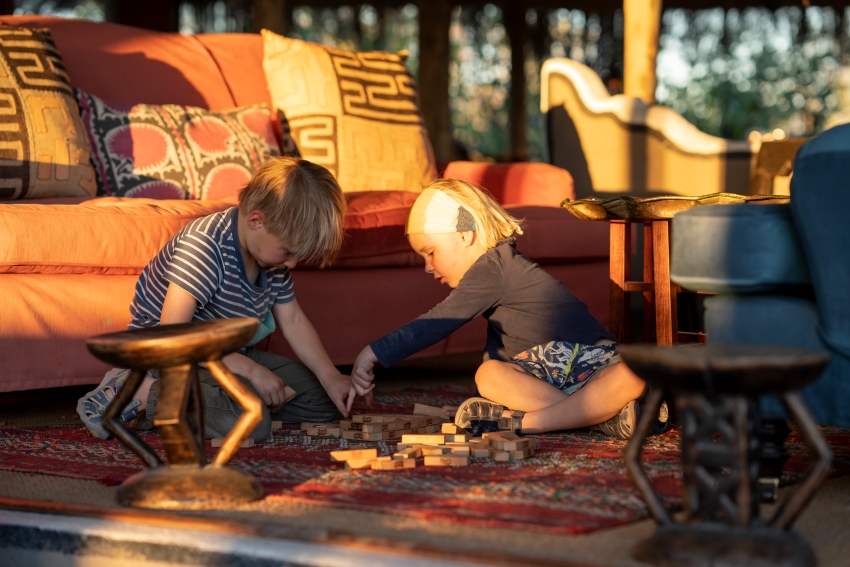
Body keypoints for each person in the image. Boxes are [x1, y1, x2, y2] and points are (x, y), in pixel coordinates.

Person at [349, 179, 666, 439]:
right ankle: (599, 417)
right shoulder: (495, 274)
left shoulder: (494, 267)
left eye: (430, 252)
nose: (428, 267)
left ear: (465, 235)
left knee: (633, 372)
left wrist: (373, 353)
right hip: (551, 379)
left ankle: (528, 423)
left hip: (593, 364)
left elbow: (438, 321)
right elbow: (499, 352)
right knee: (489, 374)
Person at [77, 156, 352, 441]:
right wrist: (251, 371)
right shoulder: (204, 246)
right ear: (256, 221)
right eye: (288, 252)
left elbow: (293, 320)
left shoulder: (271, 259)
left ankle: (214, 403)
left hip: (227, 355)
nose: (292, 264)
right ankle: (139, 392)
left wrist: (330, 376)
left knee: (323, 398)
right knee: (252, 422)